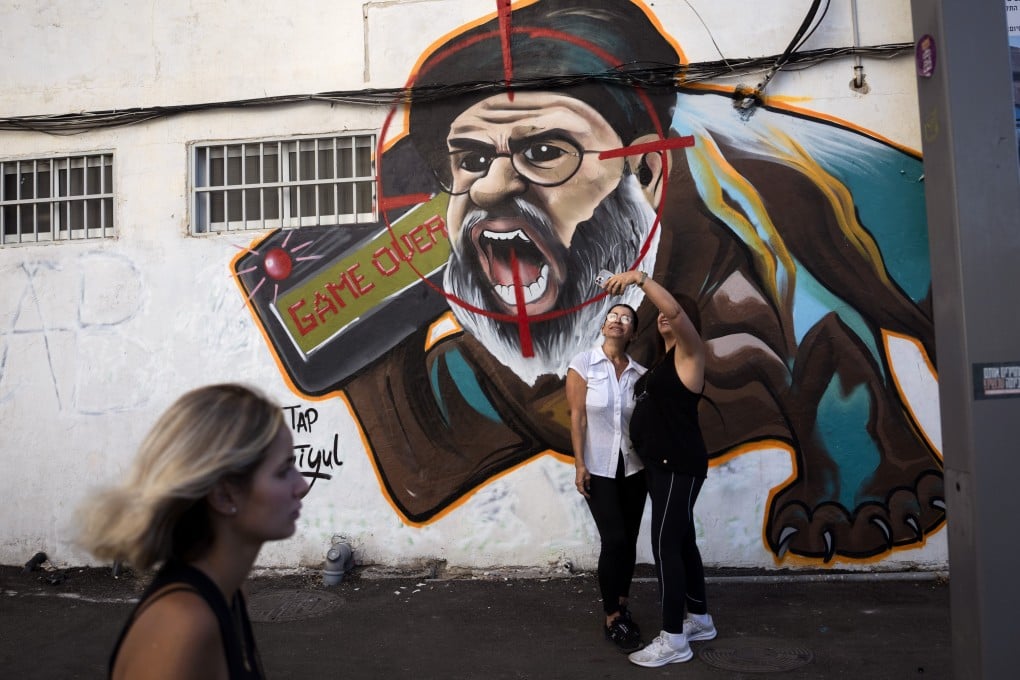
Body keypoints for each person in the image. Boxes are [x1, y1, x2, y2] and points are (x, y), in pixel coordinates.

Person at [77, 383, 309, 680]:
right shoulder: (183, 625)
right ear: (224, 495)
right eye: (283, 471)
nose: (302, 486)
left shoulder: (230, 593)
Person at [597, 270, 717, 667]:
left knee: (665, 546)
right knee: (682, 542)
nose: (665, 314)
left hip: (678, 465)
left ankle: (674, 639)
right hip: (660, 467)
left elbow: (676, 312)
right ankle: (699, 618)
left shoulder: (690, 354)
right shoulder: (661, 365)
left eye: (673, 311)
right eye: (660, 313)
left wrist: (639, 279)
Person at [566, 303, 647, 652]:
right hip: (598, 467)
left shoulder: (640, 374)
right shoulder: (583, 363)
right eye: (613, 316)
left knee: (628, 541)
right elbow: (577, 416)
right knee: (613, 539)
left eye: (626, 318)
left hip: (634, 469)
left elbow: (642, 424)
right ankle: (612, 615)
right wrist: (579, 464)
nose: (618, 320)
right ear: (603, 326)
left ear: (633, 332)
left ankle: (623, 605)